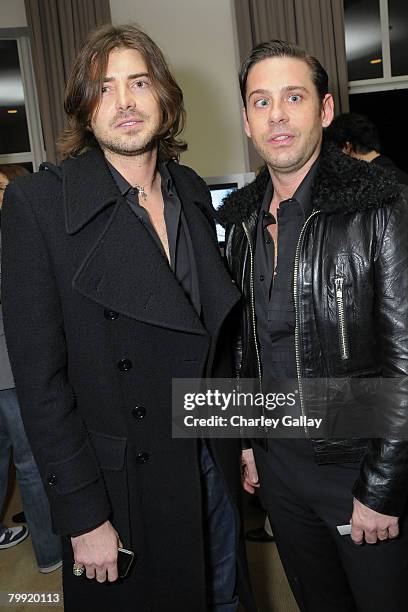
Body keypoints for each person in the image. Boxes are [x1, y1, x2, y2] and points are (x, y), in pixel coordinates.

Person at [1, 25, 255, 612]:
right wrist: (84, 515)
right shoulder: (39, 205)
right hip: (121, 486)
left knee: (222, 596)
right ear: (84, 109)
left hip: (207, 461)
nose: (123, 101)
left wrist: (242, 437)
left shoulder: (190, 190)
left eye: (138, 82)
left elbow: (210, 345)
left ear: (164, 99)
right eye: (104, 87)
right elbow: (40, 385)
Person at [219, 40, 408, 611]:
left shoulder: (385, 205)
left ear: (325, 110)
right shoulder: (239, 223)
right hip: (281, 478)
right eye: (261, 101)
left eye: (294, 97)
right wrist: (250, 442)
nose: (277, 114)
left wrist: (383, 489)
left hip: (359, 469)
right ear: (246, 118)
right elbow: (245, 349)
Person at [0, 165, 62, 571]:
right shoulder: (14, 235)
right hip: (9, 367)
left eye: (3, 186)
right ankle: (50, 552)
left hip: (14, 363)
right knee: (31, 460)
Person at [325, 112, 408, 186]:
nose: (337, 160)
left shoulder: (371, 184)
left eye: (336, 152)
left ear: (347, 147)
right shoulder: (400, 176)